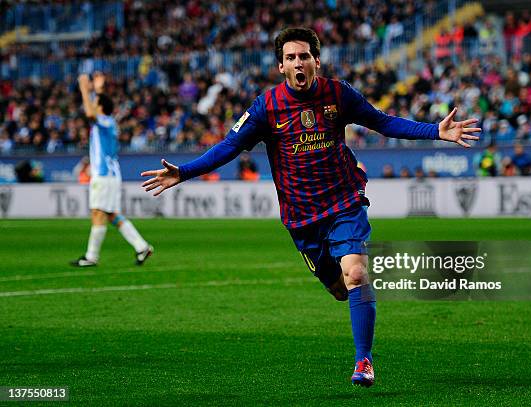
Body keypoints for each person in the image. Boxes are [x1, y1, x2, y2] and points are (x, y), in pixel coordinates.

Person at [141, 28, 480, 387]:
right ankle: (345, 297)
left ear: (316, 61)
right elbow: (229, 147)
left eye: (304, 56)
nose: (298, 62)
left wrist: (434, 131)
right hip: (302, 218)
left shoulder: (338, 93)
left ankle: (363, 361)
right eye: (291, 57)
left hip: (343, 201)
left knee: (356, 275)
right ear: (280, 66)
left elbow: (382, 122)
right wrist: (185, 172)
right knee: (338, 289)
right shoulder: (266, 107)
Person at [71, 72, 153, 267]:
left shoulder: (104, 121)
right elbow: (99, 105)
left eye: (95, 101)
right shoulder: (108, 121)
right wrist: (97, 89)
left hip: (104, 175)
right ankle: (142, 247)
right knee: (111, 214)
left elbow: (91, 113)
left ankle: (91, 256)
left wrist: (84, 87)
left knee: (98, 212)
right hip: (111, 174)